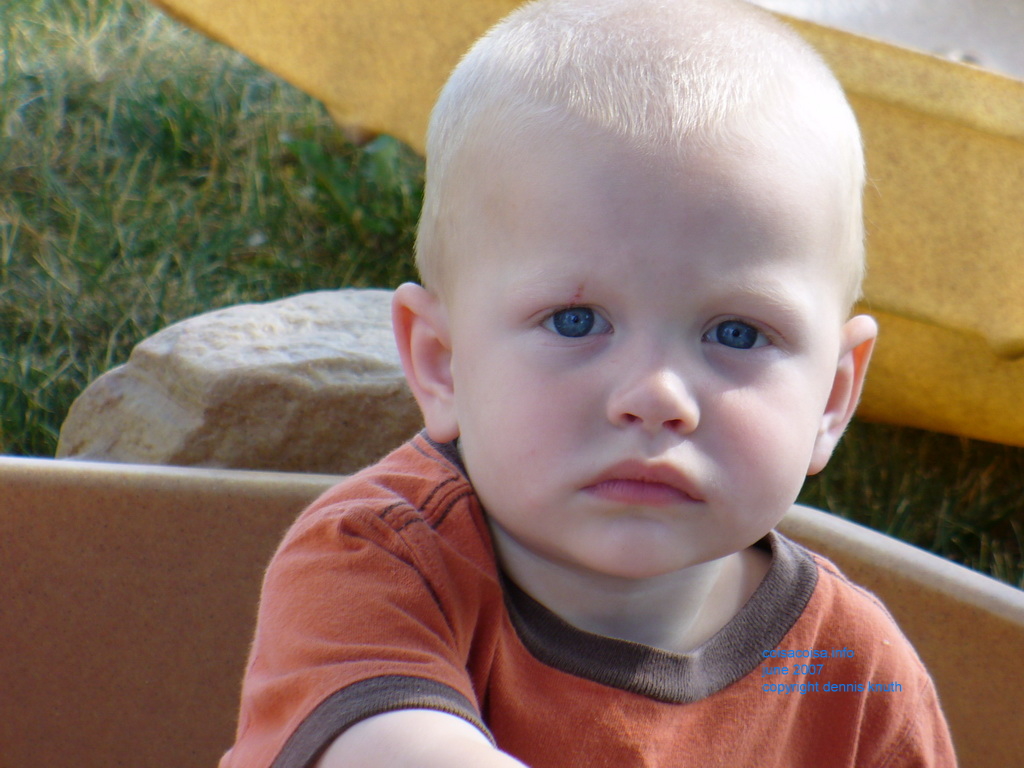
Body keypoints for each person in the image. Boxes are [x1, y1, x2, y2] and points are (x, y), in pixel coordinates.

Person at [220, 1, 957, 765]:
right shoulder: (378, 560)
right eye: (577, 322)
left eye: (736, 334)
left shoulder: (850, 676)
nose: (656, 396)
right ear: (443, 363)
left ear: (832, 400)